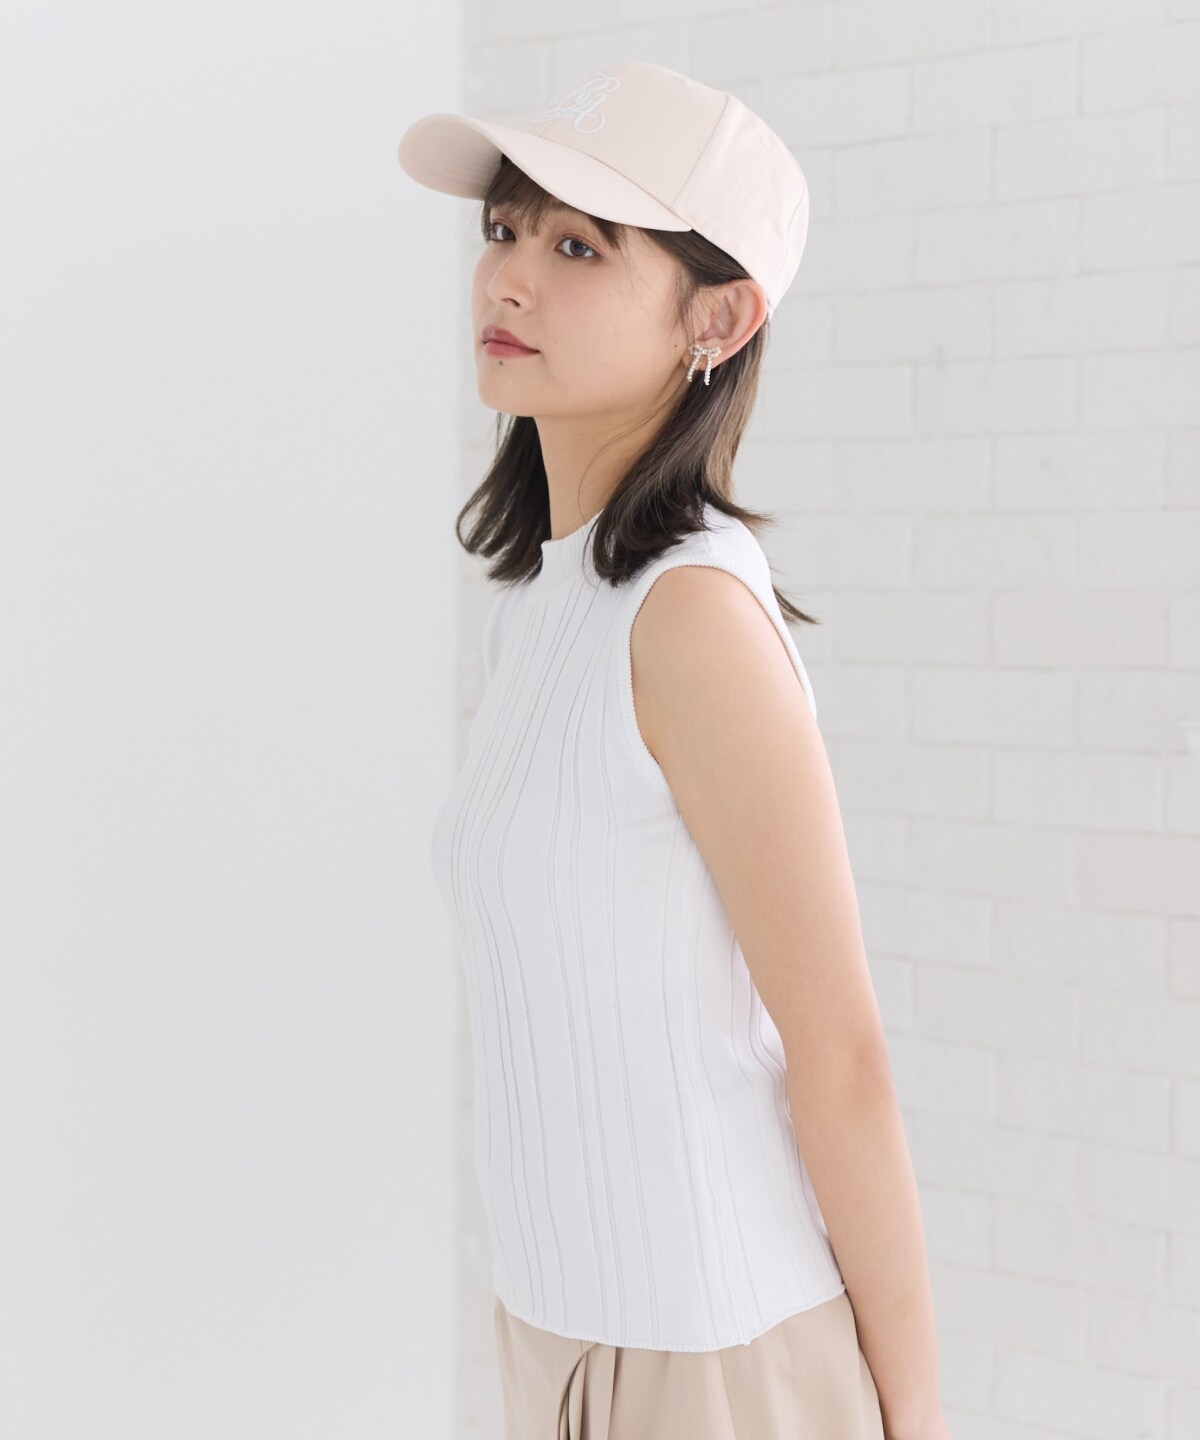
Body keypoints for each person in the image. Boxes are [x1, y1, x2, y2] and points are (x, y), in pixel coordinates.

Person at [397, 61, 949, 1440]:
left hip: (717, 1360)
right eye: (505, 229)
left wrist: (918, 1416)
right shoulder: (546, 607)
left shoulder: (690, 616)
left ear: (720, 317)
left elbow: (841, 1057)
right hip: (559, 1334)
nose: (507, 278)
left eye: (579, 246)